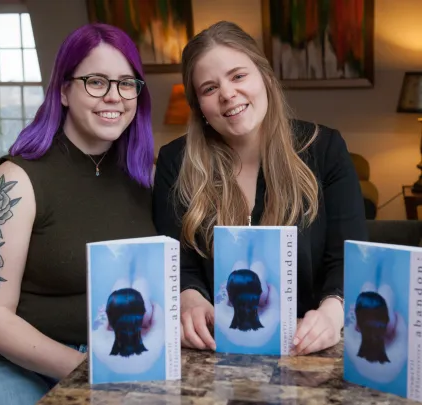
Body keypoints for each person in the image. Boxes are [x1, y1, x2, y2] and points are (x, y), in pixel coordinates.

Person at [152, 21, 367, 355]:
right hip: (213, 348)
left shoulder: (325, 149)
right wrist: (188, 297)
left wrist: (332, 312)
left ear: (264, 76)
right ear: (199, 107)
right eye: (209, 88)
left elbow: (349, 257)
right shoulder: (174, 161)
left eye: (238, 76)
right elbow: (175, 261)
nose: (227, 93)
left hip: (309, 348)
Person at [0, 23, 156, 404]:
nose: (114, 97)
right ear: (63, 90)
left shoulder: (145, 178)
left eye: (127, 83)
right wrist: (85, 368)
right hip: (15, 365)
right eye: (96, 81)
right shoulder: (15, 180)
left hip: (116, 357)